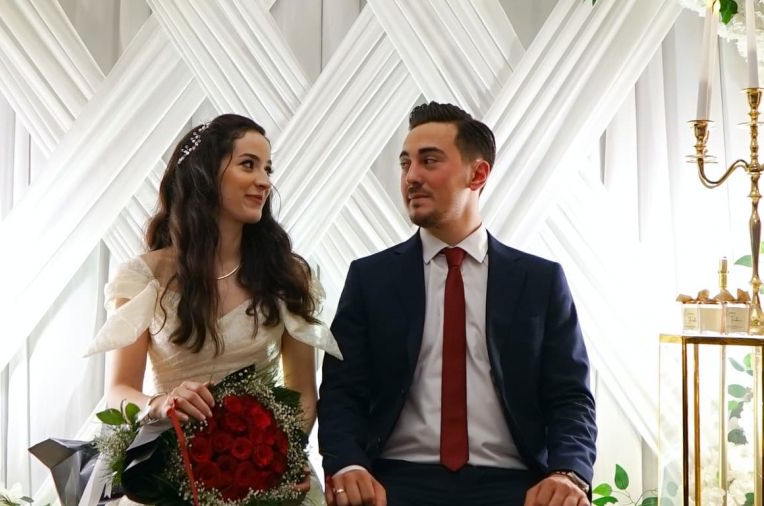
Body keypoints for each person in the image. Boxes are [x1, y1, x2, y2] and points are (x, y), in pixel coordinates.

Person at [318, 102, 597, 506]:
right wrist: (348, 465)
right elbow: (342, 392)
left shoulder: (539, 281)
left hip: (514, 484)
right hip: (396, 481)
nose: (411, 176)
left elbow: (570, 397)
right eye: (405, 164)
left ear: (477, 174)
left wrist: (567, 473)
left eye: (429, 161)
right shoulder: (370, 278)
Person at [85, 113, 342, 505]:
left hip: (265, 478)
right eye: (248, 165)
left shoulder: (288, 276)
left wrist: (279, 459)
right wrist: (160, 405)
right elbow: (119, 391)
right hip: (171, 477)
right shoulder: (144, 278)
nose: (264, 181)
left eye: (267, 169)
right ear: (204, 175)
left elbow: (303, 392)